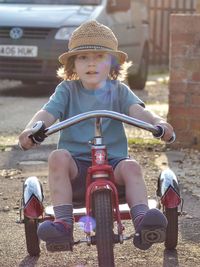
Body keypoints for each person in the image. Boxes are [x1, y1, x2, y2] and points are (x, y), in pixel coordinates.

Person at [18, 20, 174, 251]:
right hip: (76, 172)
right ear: (73, 64)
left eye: (99, 56)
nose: (91, 62)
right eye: (83, 57)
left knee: (132, 167)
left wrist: (157, 123)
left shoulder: (118, 90)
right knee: (57, 157)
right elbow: (47, 113)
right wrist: (32, 129)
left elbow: (138, 111)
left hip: (114, 167)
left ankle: (143, 222)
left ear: (111, 63)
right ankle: (63, 224)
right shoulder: (67, 90)